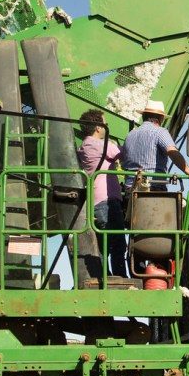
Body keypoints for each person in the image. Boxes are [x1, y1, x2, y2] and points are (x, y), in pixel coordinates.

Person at [76, 109, 126, 279]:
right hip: (107, 201)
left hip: (97, 201)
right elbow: (123, 153)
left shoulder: (84, 145)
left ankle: (106, 276)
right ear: (98, 127)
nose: (107, 126)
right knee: (117, 243)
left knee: (105, 243)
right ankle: (118, 278)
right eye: (105, 123)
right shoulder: (98, 145)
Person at [120, 100, 189, 190]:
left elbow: (123, 162)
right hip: (153, 189)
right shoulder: (160, 132)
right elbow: (173, 152)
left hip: (129, 189)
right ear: (161, 118)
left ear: (143, 116)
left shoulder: (130, 135)